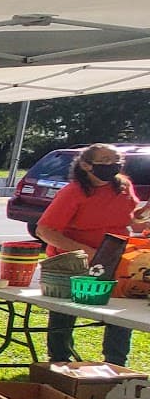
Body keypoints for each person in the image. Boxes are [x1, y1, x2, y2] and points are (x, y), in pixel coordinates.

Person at [35, 143, 150, 365]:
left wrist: (144, 216)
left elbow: (131, 220)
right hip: (72, 263)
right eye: (105, 160)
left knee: (121, 313)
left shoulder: (123, 186)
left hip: (116, 260)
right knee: (64, 311)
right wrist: (88, 253)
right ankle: (59, 361)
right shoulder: (73, 192)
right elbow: (45, 231)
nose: (112, 165)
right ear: (87, 165)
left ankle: (115, 364)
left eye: (116, 161)